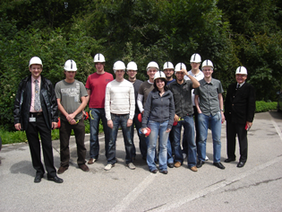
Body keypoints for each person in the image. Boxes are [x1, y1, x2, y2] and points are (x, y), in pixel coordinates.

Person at [13, 56, 63, 183]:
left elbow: (52, 102)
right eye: (34, 68)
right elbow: (18, 101)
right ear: (30, 69)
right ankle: (39, 171)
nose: (36, 70)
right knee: (34, 146)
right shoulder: (24, 83)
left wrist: (53, 118)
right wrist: (17, 119)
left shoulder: (47, 83)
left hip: (43, 118)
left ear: (41, 69)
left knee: (47, 145)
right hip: (29, 118)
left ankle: (51, 173)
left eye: (38, 68)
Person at [55, 59, 89, 174]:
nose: (71, 73)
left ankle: (81, 162)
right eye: (69, 71)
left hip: (78, 119)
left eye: (73, 72)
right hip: (65, 120)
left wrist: (74, 115)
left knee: (81, 143)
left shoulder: (79, 85)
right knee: (64, 144)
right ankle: (64, 164)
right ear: (65, 72)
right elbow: (58, 102)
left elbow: (84, 101)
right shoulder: (59, 85)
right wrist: (67, 116)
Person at [167, 62, 200, 172]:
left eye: (182, 73)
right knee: (176, 141)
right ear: (175, 74)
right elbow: (169, 102)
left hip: (188, 115)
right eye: (178, 73)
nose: (180, 75)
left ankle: (192, 163)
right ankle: (179, 160)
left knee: (191, 141)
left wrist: (188, 74)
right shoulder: (170, 86)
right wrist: (173, 114)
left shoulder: (189, 83)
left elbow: (198, 85)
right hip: (177, 117)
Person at [141, 71, 175, 174]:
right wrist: (144, 125)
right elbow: (146, 109)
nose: (160, 83)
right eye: (158, 81)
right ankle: (151, 165)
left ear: (164, 82)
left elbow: (172, 110)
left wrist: (170, 124)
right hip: (153, 122)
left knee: (163, 146)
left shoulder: (169, 94)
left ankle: (163, 166)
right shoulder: (152, 94)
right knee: (152, 145)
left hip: (165, 123)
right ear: (155, 83)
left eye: (162, 81)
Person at [104, 61, 136, 171]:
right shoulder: (109, 85)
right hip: (113, 116)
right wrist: (108, 118)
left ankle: (129, 160)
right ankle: (111, 161)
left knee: (129, 140)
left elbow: (133, 103)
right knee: (111, 141)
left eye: (121, 71)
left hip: (126, 116)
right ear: (115, 71)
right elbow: (107, 103)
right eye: (118, 71)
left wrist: (131, 117)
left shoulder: (129, 85)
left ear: (124, 72)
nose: (120, 73)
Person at [194, 60, 225, 170]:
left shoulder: (217, 83)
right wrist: (199, 110)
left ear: (212, 71)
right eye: (205, 69)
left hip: (215, 113)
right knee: (202, 138)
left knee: (217, 139)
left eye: (209, 69)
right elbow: (196, 98)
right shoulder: (199, 83)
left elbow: (220, 97)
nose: (207, 71)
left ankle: (217, 160)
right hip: (204, 114)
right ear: (202, 71)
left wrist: (221, 111)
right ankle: (201, 158)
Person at [224, 66, 255, 168]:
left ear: (245, 77)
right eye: (238, 75)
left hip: (242, 118)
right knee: (230, 138)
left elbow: (251, 105)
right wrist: (225, 114)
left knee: (242, 139)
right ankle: (231, 156)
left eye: (242, 76)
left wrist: (249, 120)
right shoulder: (231, 87)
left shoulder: (249, 88)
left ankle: (243, 158)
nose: (240, 77)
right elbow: (227, 101)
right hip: (231, 117)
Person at [85, 53, 114, 165]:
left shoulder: (110, 76)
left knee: (108, 133)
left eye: (100, 63)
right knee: (93, 134)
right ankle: (93, 155)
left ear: (104, 64)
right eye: (97, 64)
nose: (99, 65)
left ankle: (109, 155)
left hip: (107, 109)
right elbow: (87, 94)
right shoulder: (90, 77)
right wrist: (84, 108)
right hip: (94, 109)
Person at [183, 53, 207, 161]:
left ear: (199, 63)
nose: (194, 64)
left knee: (199, 129)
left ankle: (199, 151)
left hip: (199, 105)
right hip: (187, 105)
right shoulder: (185, 74)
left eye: (196, 63)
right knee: (187, 129)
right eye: (193, 63)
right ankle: (185, 150)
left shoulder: (203, 75)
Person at [137, 61, 159, 160]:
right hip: (147, 115)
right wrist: (142, 110)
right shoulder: (143, 85)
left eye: (154, 71)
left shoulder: (160, 83)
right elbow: (139, 99)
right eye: (150, 71)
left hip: (158, 115)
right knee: (147, 136)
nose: (152, 73)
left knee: (158, 137)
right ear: (147, 72)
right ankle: (148, 157)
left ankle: (158, 156)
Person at [126, 61, 146, 160]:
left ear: (136, 72)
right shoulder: (124, 83)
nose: (132, 72)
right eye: (130, 71)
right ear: (127, 72)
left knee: (142, 135)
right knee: (129, 136)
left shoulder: (141, 84)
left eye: (133, 71)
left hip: (139, 113)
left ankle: (144, 154)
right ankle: (131, 155)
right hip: (127, 113)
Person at [163, 61, 175, 168]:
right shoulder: (160, 82)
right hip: (162, 115)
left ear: (173, 71)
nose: (168, 72)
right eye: (166, 70)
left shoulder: (176, 82)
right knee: (165, 138)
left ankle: (174, 155)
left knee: (174, 137)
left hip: (174, 114)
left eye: (170, 70)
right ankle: (167, 157)